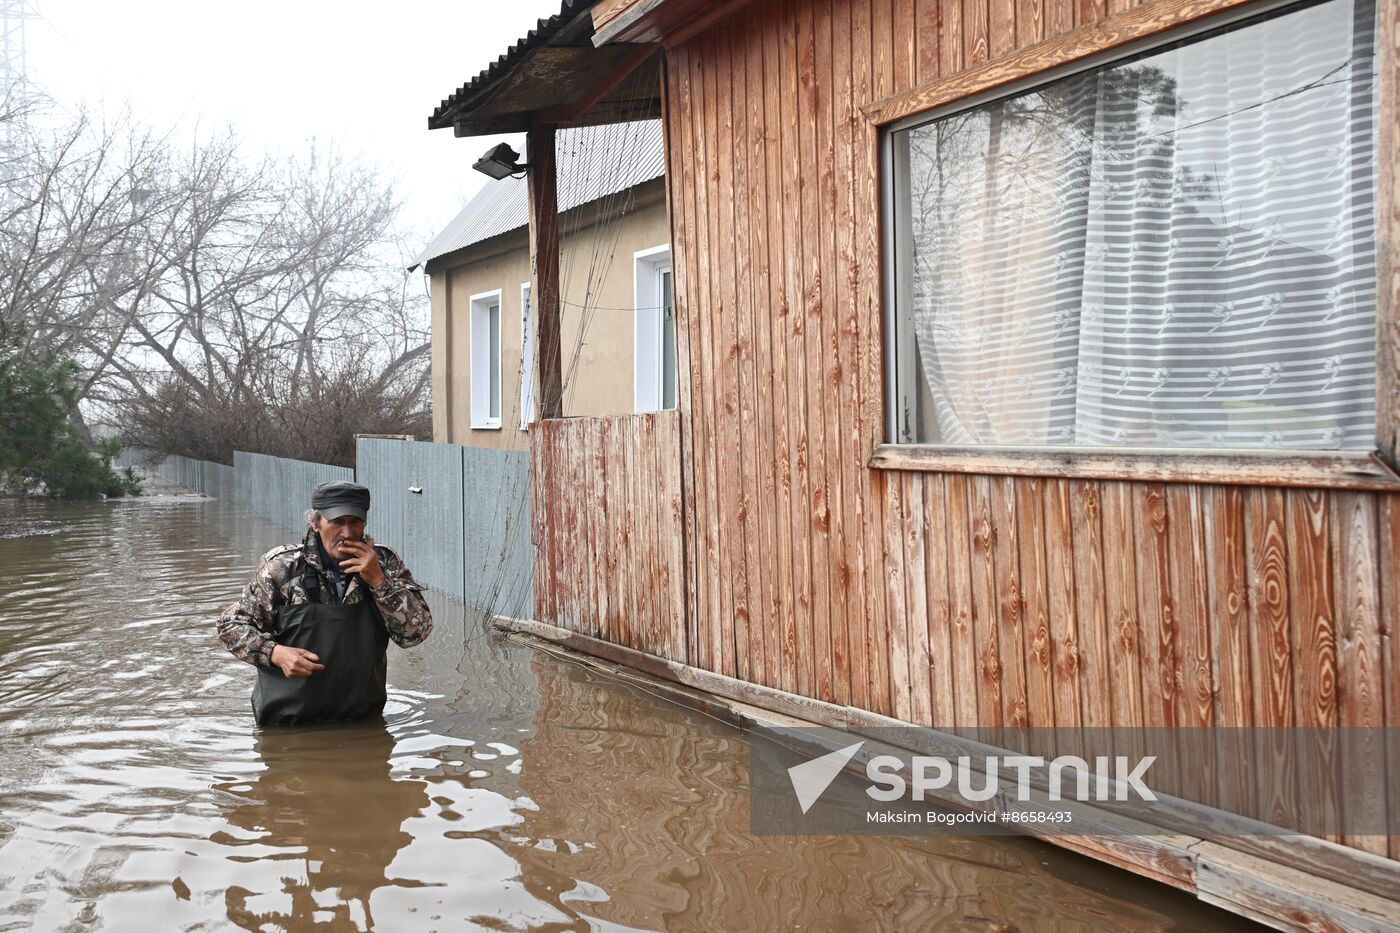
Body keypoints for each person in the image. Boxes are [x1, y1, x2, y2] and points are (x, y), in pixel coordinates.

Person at [216, 480, 433, 725]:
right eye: (337, 522)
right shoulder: (282, 567)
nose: (348, 533)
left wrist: (379, 582)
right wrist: (275, 653)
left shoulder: (385, 563)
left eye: (355, 521)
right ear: (315, 523)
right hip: (288, 727)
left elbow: (416, 634)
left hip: (363, 724)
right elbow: (230, 626)